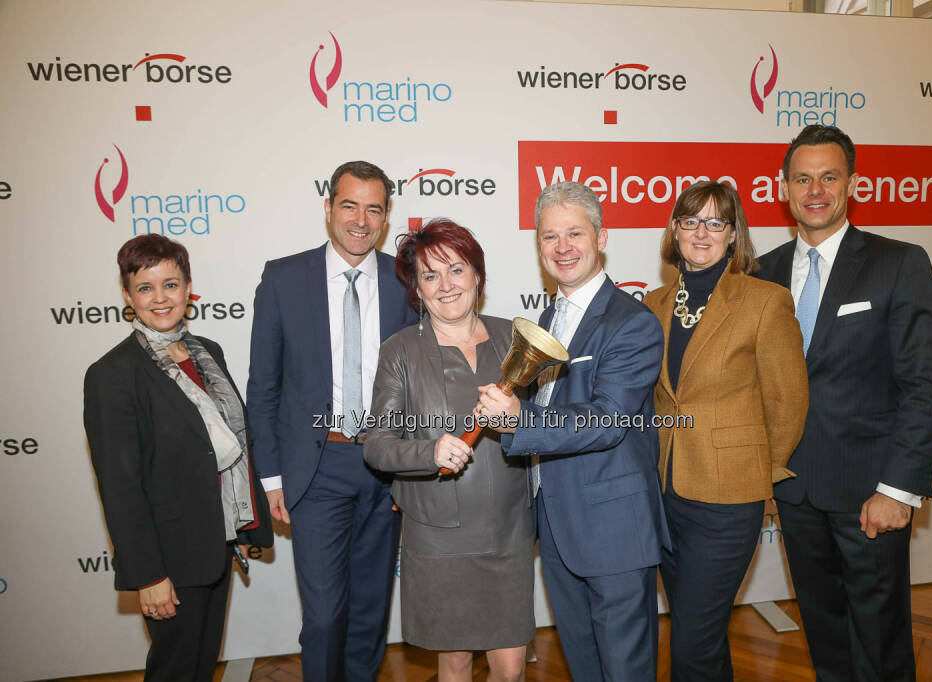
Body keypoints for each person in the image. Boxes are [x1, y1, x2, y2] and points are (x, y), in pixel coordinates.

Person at [757, 125, 932, 682]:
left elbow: (925, 384)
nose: (815, 190)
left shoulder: (899, 263)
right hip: (794, 490)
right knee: (824, 634)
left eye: (829, 177)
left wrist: (898, 490)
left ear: (852, 184)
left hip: (872, 494)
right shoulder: (761, 274)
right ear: (784, 188)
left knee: (880, 641)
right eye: (802, 178)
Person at [476, 181, 669, 682]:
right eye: (548, 236)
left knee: (625, 669)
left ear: (601, 237)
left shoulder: (632, 322)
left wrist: (520, 421)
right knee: (584, 665)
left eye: (574, 234)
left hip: (613, 526)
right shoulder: (546, 318)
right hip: (556, 520)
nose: (562, 248)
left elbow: (606, 421)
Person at [246, 161, 417, 682]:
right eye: (349, 205)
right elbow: (264, 386)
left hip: (385, 465)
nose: (360, 220)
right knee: (323, 617)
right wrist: (271, 477)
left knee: (369, 613)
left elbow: (419, 384)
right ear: (328, 208)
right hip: (316, 468)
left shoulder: (405, 281)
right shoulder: (283, 278)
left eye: (373, 209)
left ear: (386, 218)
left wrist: (408, 471)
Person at [84, 234, 273, 682]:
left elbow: (230, 443)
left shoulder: (208, 352)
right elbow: (120, 486)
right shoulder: (112, 374)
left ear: (188, 288)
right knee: (174, 669)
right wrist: (149, 575)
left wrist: (244, 522)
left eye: (170, 284)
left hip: (214, 541)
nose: (160, 298)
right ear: (128, 296)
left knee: (201, 664)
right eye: (145, 287)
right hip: (168, 557)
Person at [643, 181, 808, 681]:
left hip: (729, 500)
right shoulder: (652, 303)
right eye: (691, 220)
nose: (702, 232)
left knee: (692, 637)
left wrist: (764, 476)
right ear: (675, 229)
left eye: (716, 222)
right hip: (665, 493)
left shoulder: (765, 301)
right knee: (703, 636)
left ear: (734, 234)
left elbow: (788, 399)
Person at [363, 219, 533, 682]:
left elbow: (545, 427)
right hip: (439, 535)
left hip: (510, 529)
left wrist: (522, 417)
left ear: (477, 274)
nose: (446, 285)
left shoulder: (515, 339)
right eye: (430, 275)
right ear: (416, 288)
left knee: (511, 669)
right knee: (454, 664)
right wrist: (428, 451)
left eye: (456, 269)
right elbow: (377, 444)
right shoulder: (399, 350)